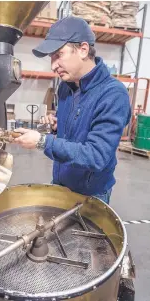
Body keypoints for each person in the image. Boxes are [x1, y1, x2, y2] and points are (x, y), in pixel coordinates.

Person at [14, 16, 131, 204]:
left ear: (83, 50)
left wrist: (43, 142)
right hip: (60, 183)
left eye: (58, 55)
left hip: (90, 195)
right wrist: (57, 127)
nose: (53, 66)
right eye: (51, 58)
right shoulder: (65, 87)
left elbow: (96, 156)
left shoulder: (113, 95)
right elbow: (75, 131)